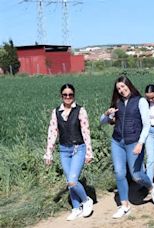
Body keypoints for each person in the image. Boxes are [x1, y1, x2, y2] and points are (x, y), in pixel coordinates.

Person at [100, 76, 154, 219]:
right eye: (118, 88)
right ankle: (124, 205)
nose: (121, 90)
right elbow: (102, 122)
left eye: (123, 86)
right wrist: (106, 114)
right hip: (117, 142)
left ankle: (151, 187)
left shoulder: (140, 101)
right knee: (120, 173)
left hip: (134, 142)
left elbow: (146, 125)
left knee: (136, 175)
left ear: (129, 85)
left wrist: (140, 143)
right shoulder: (117, 102)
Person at [44, 83, 94, 221]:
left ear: (74, 95)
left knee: (72, 180)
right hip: (64, 150)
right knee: (69, 180)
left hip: (79, 148)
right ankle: (76, 208)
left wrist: (89, 152)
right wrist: (49, 153)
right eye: (65, 95)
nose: (68, 97)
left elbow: (86, 132)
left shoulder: (80, 110)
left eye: (70, 94)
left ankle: (86, 201)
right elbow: (52, 132)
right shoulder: (56, 112)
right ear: (61, 96)